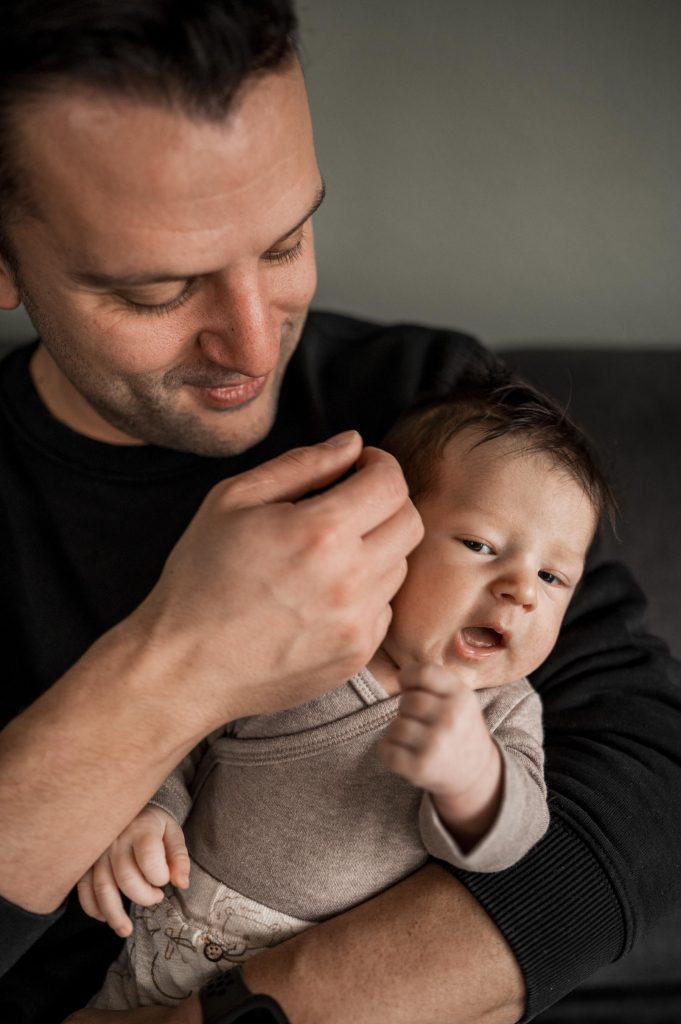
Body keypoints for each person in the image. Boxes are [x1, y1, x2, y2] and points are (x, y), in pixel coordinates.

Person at [0, 2, 679, 1023]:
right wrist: (178, 658)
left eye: (286, 244)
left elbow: (648, 790)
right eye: (156, 292)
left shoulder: (432, 410)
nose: (251, 346)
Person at [80, 369, 611, 1011]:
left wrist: (473, 778)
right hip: (160, 943)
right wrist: (154, 808)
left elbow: (512, 839)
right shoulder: (304, 639)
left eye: (554, 577)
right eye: (480, 544)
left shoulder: (502, 710)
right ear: (387, 534)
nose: (521, 589)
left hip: (315, 986)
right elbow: (188, 729)